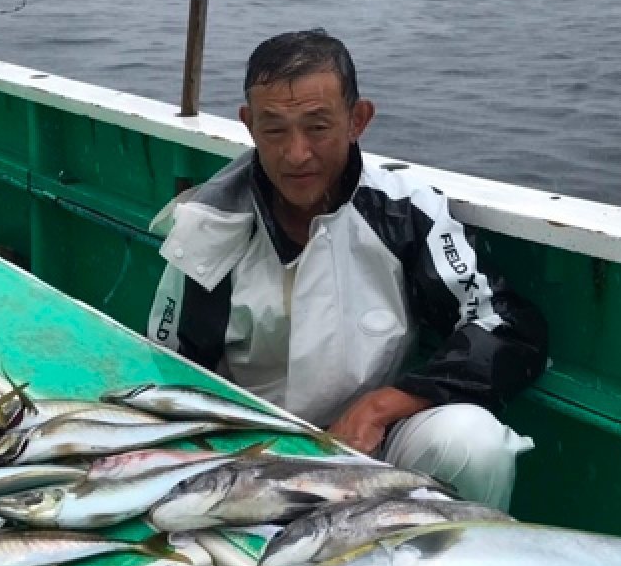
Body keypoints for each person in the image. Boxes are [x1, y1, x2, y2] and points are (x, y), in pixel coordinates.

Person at [147, 29, 547, 510]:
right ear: (249, 125)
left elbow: (507, 325)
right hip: (250, 452)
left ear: (358, 119)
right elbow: (173, 375)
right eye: (274, 130)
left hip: (375, 444)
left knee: (472, 442)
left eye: (317, 127)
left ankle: (451, 554)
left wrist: (382, 406)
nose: (297, 153)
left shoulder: (404, 212)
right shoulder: (208, 226)